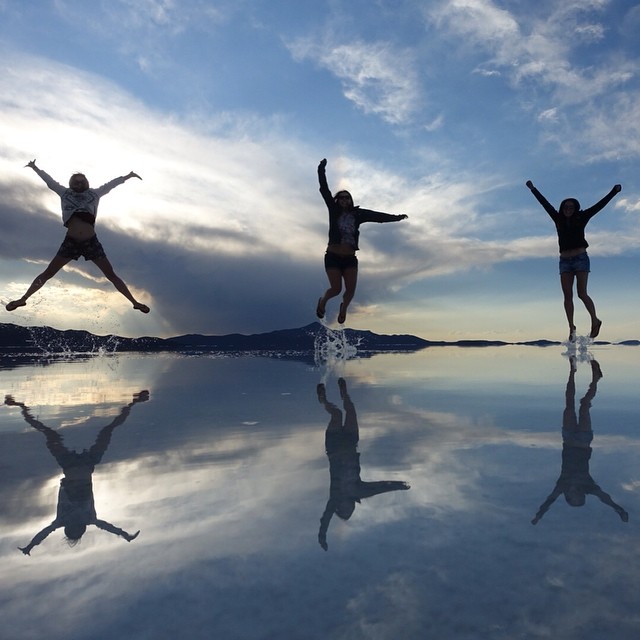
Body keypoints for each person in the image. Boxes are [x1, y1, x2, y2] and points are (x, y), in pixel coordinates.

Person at [5, 391, 149, 554]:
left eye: (71, 529)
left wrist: (31, 546)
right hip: (86, 464)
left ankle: (20, 406)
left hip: (71, 465)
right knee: (107, 430)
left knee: (50, 433)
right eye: (76, 529)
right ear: (79, 529)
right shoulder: (86, 520)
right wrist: (124, 534)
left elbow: (44, 534)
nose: (74, 525)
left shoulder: (64, 521)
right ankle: (134, 403)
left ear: (69, 528)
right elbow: (108, 527)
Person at [5, 159, 150, 314]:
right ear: (71, 183)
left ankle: (135, 303)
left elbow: (110, 185)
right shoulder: (64, 193)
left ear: (86, 183)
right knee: (48, 273)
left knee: (111, 275)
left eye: (82, 181)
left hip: (90, 242)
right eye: (75, 181)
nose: (79, 184)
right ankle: (23, 299)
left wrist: (127, 177)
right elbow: (49, 181)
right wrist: (35, 168)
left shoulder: (94, 194)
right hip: (71, 242)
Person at [531, 358, 628, 525]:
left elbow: (549, 500)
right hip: (583, 440)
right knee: (584, 404)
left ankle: (572, 370)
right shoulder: (589, 486)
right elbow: (604, 497)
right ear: (582, 495)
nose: (575, 494)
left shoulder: (562, 485)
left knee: (569, 403)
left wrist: (539, 515)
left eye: (573, 498)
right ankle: (596, 378)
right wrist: (618, 509)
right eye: (579, 497)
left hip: (568, 439)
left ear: (568, 496)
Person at [525, 179, 621, 341]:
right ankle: (571, 327)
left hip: (581, 259)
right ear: (562, 208)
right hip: (564, 261)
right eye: (565, 207)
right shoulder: (557, 218)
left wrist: (614, 192)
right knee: (567, 296)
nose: (568, 209)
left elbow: (599, 206)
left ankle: (595, 320)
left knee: (582, 293)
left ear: (575, 208)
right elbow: (544, 203)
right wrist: (533, 189)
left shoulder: (582, 217)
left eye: (571, 207)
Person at [316, 158, 408, 324]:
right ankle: (322, 301)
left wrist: (396, 218)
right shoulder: (333, 210)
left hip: (350, 258)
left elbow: (377, 216)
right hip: (333, 256)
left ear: (351, 200)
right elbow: (324, 189)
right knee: (336, 289)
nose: (344, 200)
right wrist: (321, 169)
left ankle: (343, 308)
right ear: (337, 200)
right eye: (341, 198)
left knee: (350, 290)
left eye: (347, 198)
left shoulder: (358, 214)